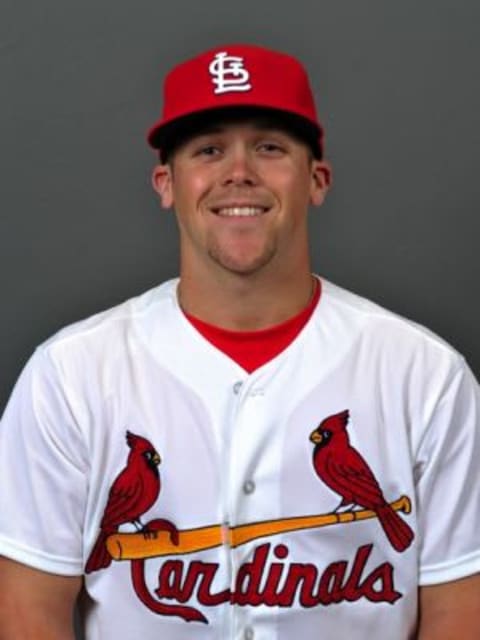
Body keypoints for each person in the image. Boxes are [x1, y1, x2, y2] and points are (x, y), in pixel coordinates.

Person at [0, 43, 479, 640]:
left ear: (317, 179)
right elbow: (26, 614)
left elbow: (462, 614)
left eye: (270, 147)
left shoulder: (426, 376)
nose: (239, 171)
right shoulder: (70, 375)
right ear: (167, 183)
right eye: (208, 149)